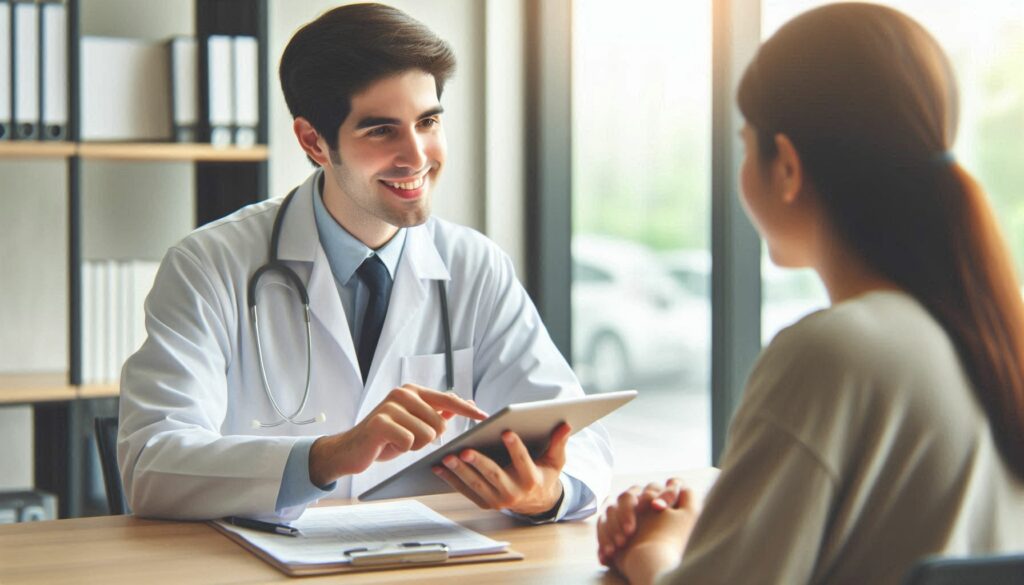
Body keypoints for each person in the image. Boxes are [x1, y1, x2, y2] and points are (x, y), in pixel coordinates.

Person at [117, 3, 611, 522]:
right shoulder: (209, 265)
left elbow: (576, 436)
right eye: (381, 131)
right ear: (313, 141)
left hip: (428, 564)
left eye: (428, 121)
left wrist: (544, 493)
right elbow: (152, 463)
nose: (417, 156)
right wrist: (328, 455)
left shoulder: (474, 266)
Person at [596, 4, 1024, 584]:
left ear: (789, 168)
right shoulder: (987, 336)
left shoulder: (833, 354)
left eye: (748, 145)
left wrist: (653, 550)